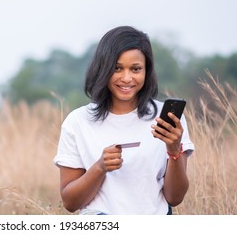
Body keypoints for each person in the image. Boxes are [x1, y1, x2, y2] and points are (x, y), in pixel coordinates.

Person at [53, 25, 195, 215]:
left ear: (146, 71)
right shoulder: (78, 122)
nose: (127, 78)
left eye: (136, 69)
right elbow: (70, 202)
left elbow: (174, 198)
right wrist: (99, 168)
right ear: (102, 68)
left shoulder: (167, 119)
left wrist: (174, 150)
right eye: (117, 68)